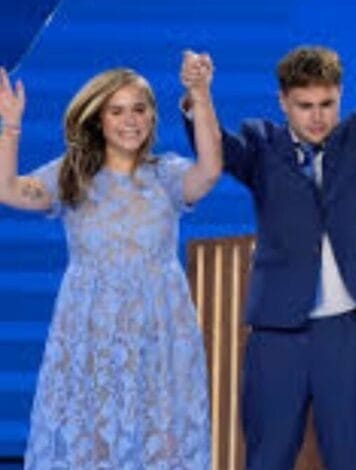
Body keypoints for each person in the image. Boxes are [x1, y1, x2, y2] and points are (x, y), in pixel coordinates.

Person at [179, 1, 356, 468]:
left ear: (341, 97)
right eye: (304, 106)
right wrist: (199, 97)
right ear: (282, 102)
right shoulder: (261, 144)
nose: (316, 116)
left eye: (327, 104)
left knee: (352, 458)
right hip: (276, 335)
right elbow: (216, 151)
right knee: (267, 458)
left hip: (348, 333)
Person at [0, 54, 221, 468]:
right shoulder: (72, 175)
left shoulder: (167, 176)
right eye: (116, 111)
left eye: (139, 109)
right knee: (94, 446)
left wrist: (200, 94)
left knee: (161, 443)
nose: (130, 120)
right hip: (92, 340)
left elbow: (209, 172)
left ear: (153, 116)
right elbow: (8, 190)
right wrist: (10, 125)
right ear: (98, 119)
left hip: (159, 339)